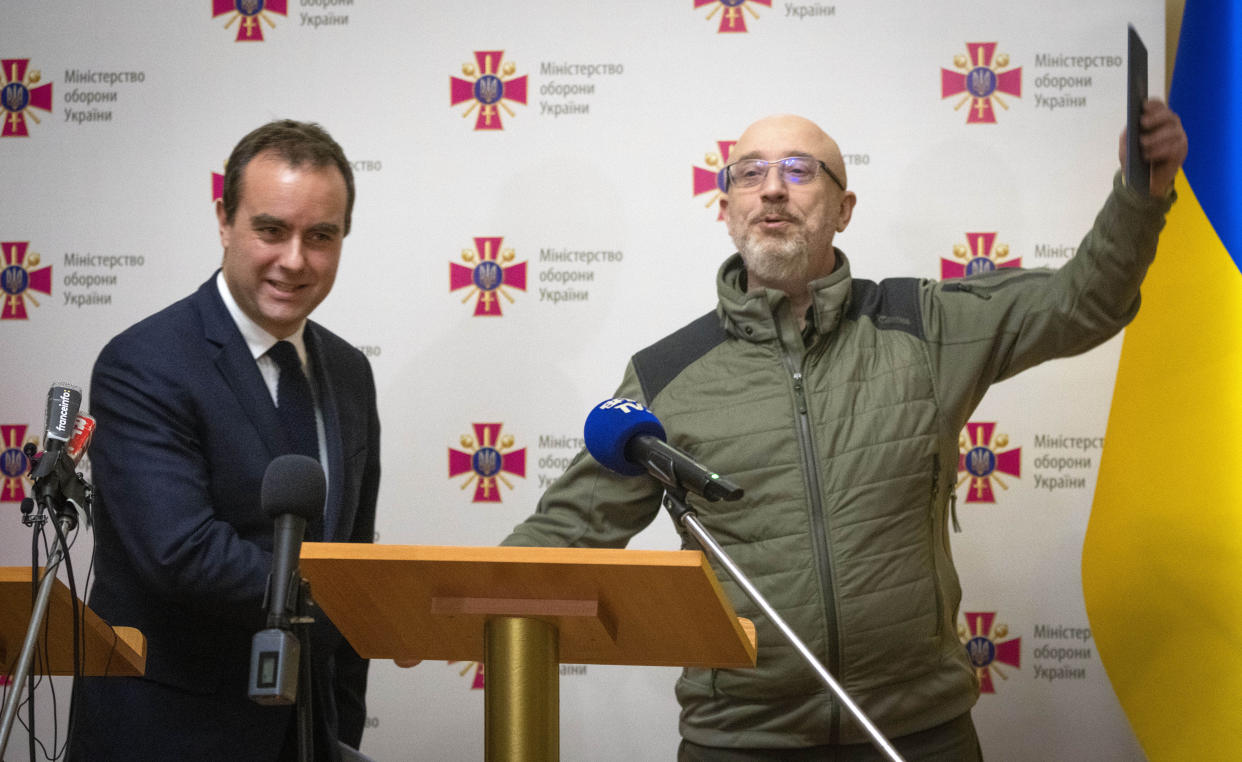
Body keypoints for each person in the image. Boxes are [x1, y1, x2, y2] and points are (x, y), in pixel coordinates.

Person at [503, 102, 1187, 760]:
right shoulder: (666, 376)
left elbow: (1082, 301)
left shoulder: (923, 324)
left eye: (800, 171)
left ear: (843, 208)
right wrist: (435, 609)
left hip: (918, 733)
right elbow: (566, 534)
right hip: (738, 742)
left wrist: (1140, 195)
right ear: (726, 209)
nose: (772, 189)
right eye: (749, 173)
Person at [70, 120, 381, 761]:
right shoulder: (145, 363)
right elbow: (182, 553)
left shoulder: (350, 372)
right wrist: (372, 608)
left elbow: (349, 549)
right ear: (224, 220)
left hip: (308, 738)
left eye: (320, 236)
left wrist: (341, 729)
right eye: (271, 229)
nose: (295, 259)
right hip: (169, 735)